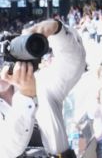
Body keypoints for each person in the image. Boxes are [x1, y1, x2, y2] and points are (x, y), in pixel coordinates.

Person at [0, 18, 86, 158]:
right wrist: (27, 95)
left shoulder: (41, 83)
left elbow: (74, 64)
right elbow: (8, 149)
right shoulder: (31, 87)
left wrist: (56, 29)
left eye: (3, 59)